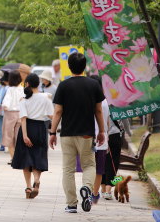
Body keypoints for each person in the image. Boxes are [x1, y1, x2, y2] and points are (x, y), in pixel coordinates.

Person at [49, 52, 105, 214]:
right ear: (84, 66)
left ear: (69, 66)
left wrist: (52, 132)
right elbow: (99, 111)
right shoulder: (93, 85)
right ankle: (87, 189)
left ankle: (71, 204)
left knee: (68, 169)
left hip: (67, 133)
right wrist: (101, 131)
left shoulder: (63, 85)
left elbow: (58, 111)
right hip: (86, 134)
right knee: (89, 165)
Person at [12, 74, 53, 199]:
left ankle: (28, 187)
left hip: (27, 129)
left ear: (27, 84)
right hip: (40, 128)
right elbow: (52, 115)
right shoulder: (45, 98)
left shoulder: (24, 100)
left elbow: (23, 119)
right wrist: (54, 131)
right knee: (38, 156)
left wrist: (25, 136)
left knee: (26, 159)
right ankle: (37, 180)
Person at [89, 75, 110, 204]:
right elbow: (107, 123)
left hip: (88, 139)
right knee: (99, 169)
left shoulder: (87, 101)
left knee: (88, 167)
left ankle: (88, 190)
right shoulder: (106, 102)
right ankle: (95, 194)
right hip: (102, 141)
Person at [2, 70, 25, 164]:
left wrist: (5, 106)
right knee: (18, 137)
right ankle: (20, 158)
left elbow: (6, 102)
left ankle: (13, 158)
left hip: (10, 114)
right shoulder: (23, 89)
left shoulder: (10, 89)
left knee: (9, 137)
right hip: (21, 114)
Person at [101, 119, 123, 200]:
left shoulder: (99, 106)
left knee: (102, 162)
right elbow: (125, 120)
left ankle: (103, 190)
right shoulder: (118, 106)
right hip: (115, 135)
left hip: (101, 134)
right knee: (113, 162)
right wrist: (128, 132)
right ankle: (108, 191)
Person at [0, 72, 9, 152]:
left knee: (7, 128)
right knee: (1, 128)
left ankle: (8, 144)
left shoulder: (8, 87)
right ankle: (2, 145)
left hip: (7, 110)